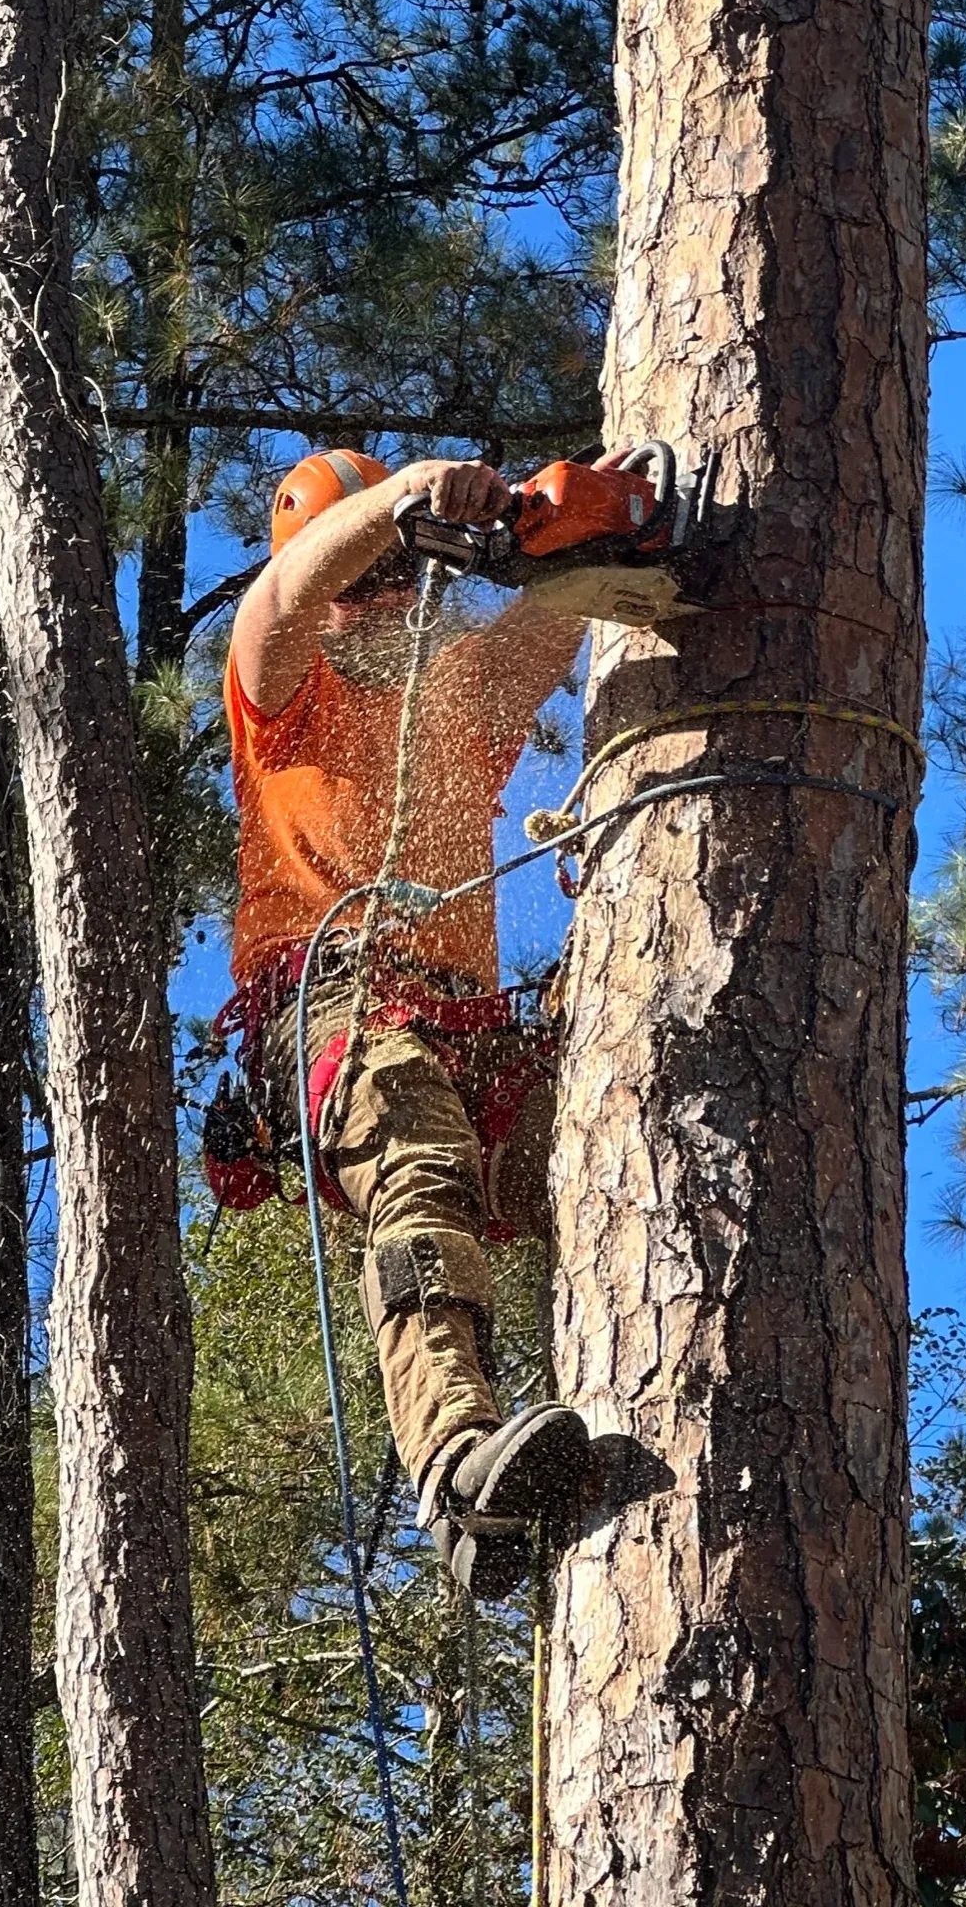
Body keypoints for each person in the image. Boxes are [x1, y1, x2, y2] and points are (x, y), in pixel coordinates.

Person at [224, 447, 597, 1597]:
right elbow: (279, 602)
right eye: (363, 579)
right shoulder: (280, 689)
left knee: (601, 1167)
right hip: (331, 1003)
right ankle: (455, 1469)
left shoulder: (460, 697)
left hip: (475, 1026)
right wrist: (399, 502)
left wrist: (576, 520)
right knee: (420, 1162)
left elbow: (564, 615)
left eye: (399, 578)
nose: (384, 599)